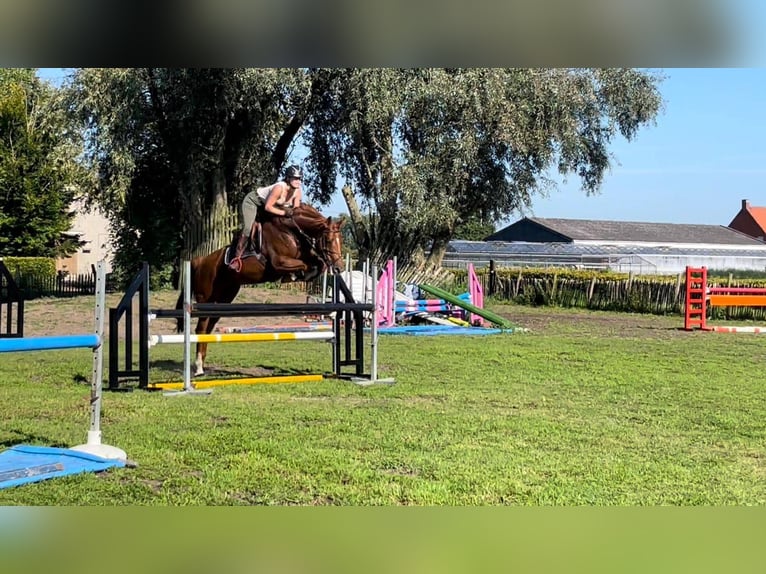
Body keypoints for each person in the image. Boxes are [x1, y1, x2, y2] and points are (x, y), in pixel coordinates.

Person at [228, 164, 304, 271]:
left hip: (269, 207)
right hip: (254, 202)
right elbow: (268, 207)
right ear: (288, 178)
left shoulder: (297, 192)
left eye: (300, 179)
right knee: (248, 229)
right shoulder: (279, 188)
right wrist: (284, 213)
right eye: (295, 178)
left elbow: (295, 211)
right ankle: (236, 258)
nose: (298, 181)